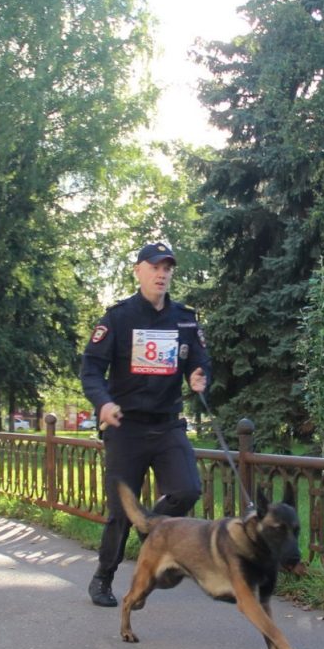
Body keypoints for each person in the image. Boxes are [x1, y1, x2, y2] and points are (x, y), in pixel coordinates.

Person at [80, 241, 211, 607]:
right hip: (126, 427)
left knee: (187, 490)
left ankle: (149, 528)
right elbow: (91, 367)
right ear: (138, 270)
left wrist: (200, 376)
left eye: (168, 267)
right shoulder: (118, 318)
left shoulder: (184, 318)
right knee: (121, 509)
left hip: (168, 426)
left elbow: (200, 362)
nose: (162, 273)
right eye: (154, 266)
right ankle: (103, 578)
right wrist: (103, 403)